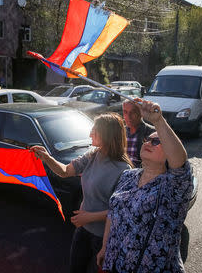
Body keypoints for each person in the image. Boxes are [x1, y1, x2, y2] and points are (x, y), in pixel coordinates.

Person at [97, 100, 194, 273]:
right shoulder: (128, 175)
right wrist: (105, 247)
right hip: (113, 264)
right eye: (147, 140)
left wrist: (158, 121)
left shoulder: (173, 186)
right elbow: (112, 213)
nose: (148, 143)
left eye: (157, 142)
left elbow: (180, 162)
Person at [31, 113, 133, 273]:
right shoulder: (92, 155)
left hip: (103, 238)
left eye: (95, 130)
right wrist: (47, 158)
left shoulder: (124, 170)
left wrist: (89, 217)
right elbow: (65, 171)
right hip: (83, 229)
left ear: (107, 135)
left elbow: (120, 210)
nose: (90, 133)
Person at [122, 100, 155, 168]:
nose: (128, 116)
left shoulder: (152, 133)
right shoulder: (120, 132)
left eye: (133, 112)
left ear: (141, 113)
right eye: (125, 112)